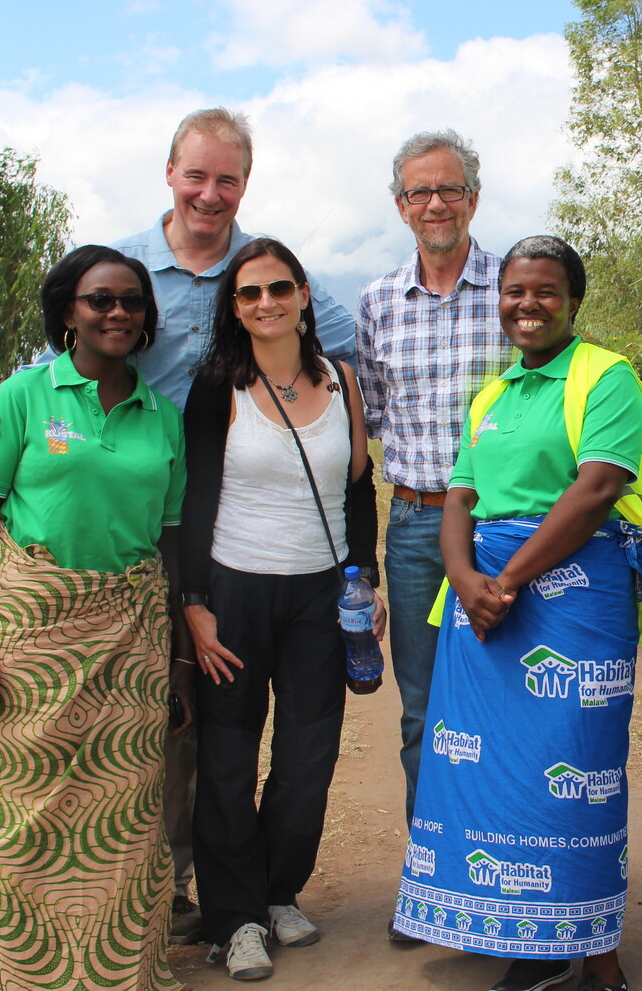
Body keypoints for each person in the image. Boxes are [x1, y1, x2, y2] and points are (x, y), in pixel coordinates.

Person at [0, 107, 358, 942]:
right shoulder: (125, 270)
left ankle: (216, 893)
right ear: (170, 174)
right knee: (174, 743)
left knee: (210, 738)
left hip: (197, 534)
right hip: (163, 537)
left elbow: (347, 375)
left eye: (228, 179)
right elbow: (58, 362)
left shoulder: (269, 271)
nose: (210, 194)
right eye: (196, 175)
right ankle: (171, 896)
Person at [392, 236, 642, 991]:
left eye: (544, 291)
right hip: (484, 604)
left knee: (576, 771)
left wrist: (502, 579)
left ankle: (587, 946)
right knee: (493, 772)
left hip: (573, 599)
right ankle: (521, 933)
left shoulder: (605, 378)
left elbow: (597, 487)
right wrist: (465, 576)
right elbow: (459, 498)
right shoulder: (492, 395)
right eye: (514, 292)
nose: (527, 305)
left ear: (574, 300)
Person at [0, 245, 190, 991]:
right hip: (30, 636)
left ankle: (119, 973)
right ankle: (9, 974)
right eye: (100, 300)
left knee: (122, 816)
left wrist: (178, 661)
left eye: (132, 302)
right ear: (67, 312)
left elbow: (170, 544)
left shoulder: (163, 418)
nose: (117, 313)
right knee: (14, 811)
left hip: (132, 640)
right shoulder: (21, 397)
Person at [179, 238, 382, 981]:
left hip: (318, 596)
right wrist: (194, 603)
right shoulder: (215, 388)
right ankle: (234, 918)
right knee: (229, 755)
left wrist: (367, 580)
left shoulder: (342, 383)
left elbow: (358, 488)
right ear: (233, 308)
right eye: (249, 293)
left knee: (308, 755)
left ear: (303, 295)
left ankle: (278, 889)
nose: (265, 302)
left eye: (279, 288)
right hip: (234, 588)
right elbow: (195, 500)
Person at [356, 130, 513, 858]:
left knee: (510, 700)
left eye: (450, 188)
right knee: (423, 709)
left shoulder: (517, 288)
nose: (436, 202)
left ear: (474, 198)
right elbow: (374, 418)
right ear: (400, 206)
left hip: (507, 528)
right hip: (417, 527)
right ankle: (435, 873)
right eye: (420, 191)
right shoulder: (378, 303)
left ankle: (509, 864)